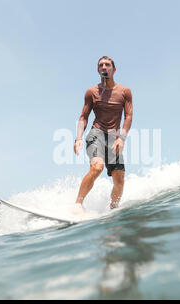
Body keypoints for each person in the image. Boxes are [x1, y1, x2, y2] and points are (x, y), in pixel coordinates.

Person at [73, 56, 133, 214]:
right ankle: (78, 204)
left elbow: (128, 116)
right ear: (98, 70)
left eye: (107, 65)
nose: (104, 67)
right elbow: (83, 117)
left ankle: (113, 209)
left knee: (119, 178)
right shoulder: (92, 92)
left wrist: (122, 138)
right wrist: (78, 138)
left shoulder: (125, 92)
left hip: (114, 138)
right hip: (96, 134)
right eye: (101, 65)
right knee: (97, 167)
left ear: (114, 69)